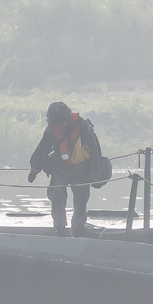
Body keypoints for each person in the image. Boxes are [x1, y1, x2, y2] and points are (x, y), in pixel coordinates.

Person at [28, 100, 106, 237]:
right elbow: (41, 151)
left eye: (61, 122)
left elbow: (95, 150)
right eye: (55, 123)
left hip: (80, 170)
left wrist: (95, 174)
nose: (59, 126)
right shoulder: (51, 131)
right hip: (59, 169)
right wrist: (34, 169)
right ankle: (59, 228)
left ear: (68, 119)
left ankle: (78, 228)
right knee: (57, 199)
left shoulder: (83, 127)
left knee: (81, 201)